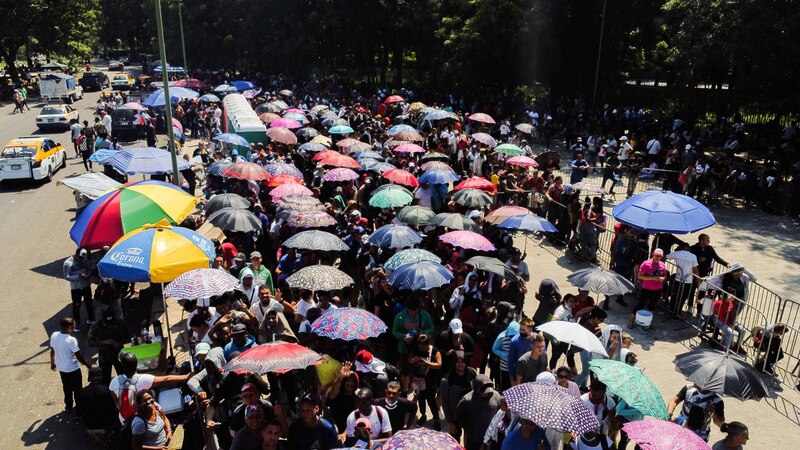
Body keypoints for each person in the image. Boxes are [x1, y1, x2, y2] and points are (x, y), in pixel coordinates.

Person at [110, 352, 191, 423]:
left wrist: (121, 407)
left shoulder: (115, 380)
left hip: (124, 419)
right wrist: (186, 376)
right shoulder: (143, 379)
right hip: (141, 419)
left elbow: (114, 397)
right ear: (136, 365)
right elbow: (166, 379)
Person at [50, 317, 92, 411]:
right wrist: (87, 364)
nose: (74, 326)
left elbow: (52, 350)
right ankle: (79, 409)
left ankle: (68, 406)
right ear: (69, 327)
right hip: (73, 369)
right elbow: (78, 355)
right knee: (78, 390)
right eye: (73, 325)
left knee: (67, 388)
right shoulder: (71, 340)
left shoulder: (54, 335)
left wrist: (53, 363)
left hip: (62, 369)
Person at [456, 374, 503, 450]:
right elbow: (459, 415)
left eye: (488, 391)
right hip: (474, 439)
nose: (486, 393)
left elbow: (500, 413)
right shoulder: (466, 400)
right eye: (483, 391)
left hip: (491, 439)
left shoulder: (496, 396)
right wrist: (468, 429)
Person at [408, 333, 442, 429]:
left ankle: (436, 419)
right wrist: (413, 360)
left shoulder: (434, 351)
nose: (422, 348)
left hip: (430, 381)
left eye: (424, 346)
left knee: (431, 401)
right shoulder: (415, 350)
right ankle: (423, 415)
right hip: (418, 381)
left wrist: (427, 363)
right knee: (421, 399)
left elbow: (439, 364)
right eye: (420, 346)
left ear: (428, 344)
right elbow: (409, 360)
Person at [628, 249, 667, 329]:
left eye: (659, 256)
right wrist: (653, 278)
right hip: (646, 288)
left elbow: (664, 275)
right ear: (653, 254)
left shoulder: (662, 265)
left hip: (657, 289)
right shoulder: (646, 264)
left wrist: (662, 278)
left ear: (662, 257)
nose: (657, 257)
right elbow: (640, 276)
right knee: (640, 304)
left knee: (652, 306)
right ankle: (630, 321)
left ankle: (648, 322)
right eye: (656, 255)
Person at [76, 367, 118, 439]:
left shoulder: (81, 392)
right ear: (101, 377)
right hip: (107, 422)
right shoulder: (107, 391)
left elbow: (79, 410)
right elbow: (113, 406)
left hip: (89, 423)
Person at [63, 248, 94, 330]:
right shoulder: (68, 263)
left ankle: (91, 319)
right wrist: (78, 277)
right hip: (76, 288)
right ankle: (77, 324)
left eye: (83, 258)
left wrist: (88, 273)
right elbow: (66, 276)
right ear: (76, 255)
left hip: (86, 285)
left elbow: (89, 268)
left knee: (89, 303)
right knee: (76, 306)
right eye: (80, 258)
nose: (82, 259)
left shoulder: (84, 259)